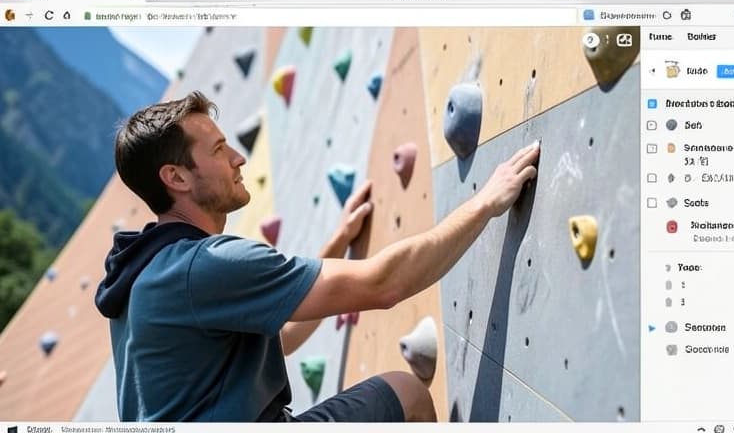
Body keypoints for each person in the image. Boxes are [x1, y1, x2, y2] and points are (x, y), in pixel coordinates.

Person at [96, 91, 540, 422]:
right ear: (176, 177)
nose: (238, 158)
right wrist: (486, 202)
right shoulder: (201, 266)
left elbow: (279, 335)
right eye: (217, 150)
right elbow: (385, 285)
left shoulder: (143, 277)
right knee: (407, 396)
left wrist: (335, 244)